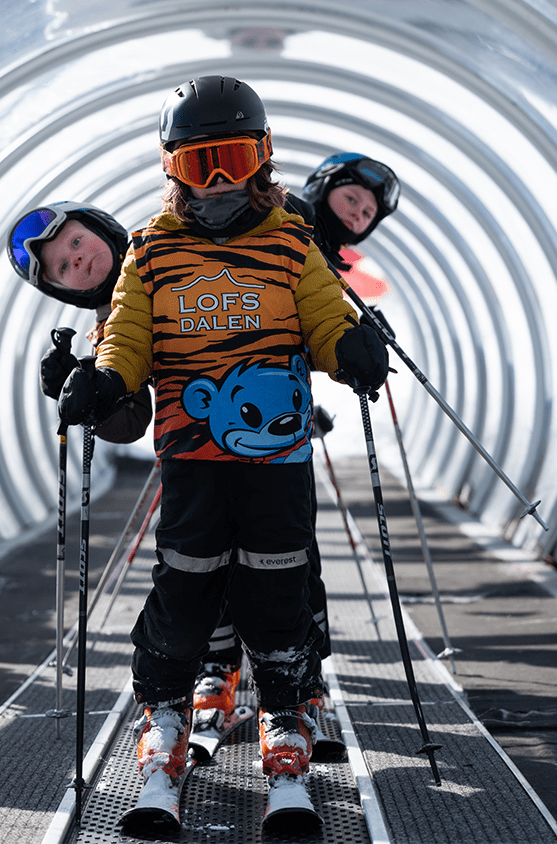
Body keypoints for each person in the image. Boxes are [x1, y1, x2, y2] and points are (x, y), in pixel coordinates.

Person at [57, 75, 388, 815]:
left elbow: (325, 320)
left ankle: (285, 718)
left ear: (261, 160)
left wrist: (352, 349)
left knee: (277, 595)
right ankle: (167, 717)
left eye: (232, 160)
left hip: (276, 465)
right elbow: (128, 341)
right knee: (185, 592)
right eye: (197, 164)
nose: (215, 182)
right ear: (171, 168)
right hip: (194, 463)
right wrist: (105, 383)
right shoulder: (151, 251)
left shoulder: (290, 243)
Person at [195, 151, 402, 746]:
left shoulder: (332, 267)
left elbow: (302, 332)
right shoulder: (287, 218)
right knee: (217, 552)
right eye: (352, 197)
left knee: (289, 555)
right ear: (324, 186)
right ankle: (221, 673)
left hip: (277, 429)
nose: (358, 212)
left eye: (367, 212)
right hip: (217, 417)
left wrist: (350, 346)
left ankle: (291, 679)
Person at [5, 201, 152, 444]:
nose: (76, 258)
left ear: (101, 228)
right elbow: (130, 422)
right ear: (65, 291)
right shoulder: (109, 336)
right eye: (63, 267)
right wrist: (88, 396)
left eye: (76, 242)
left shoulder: (162, 254)